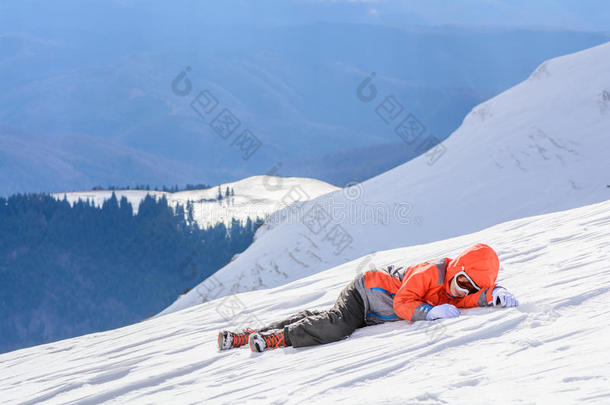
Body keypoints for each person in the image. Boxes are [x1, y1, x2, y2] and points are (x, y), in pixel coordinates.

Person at [217, 243, 519, 353]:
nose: (461, 291)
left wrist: (491, 295)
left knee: (324, 319)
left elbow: (466, 299)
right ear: (458, 269)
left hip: (374, 313)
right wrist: (428, 313)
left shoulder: (455, 289)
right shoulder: (431, 273)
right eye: (463, 282)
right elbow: (403, 303)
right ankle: (275, 339)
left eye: (470, 288)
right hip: (366, 293)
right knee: (336, 326)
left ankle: (246, 336)